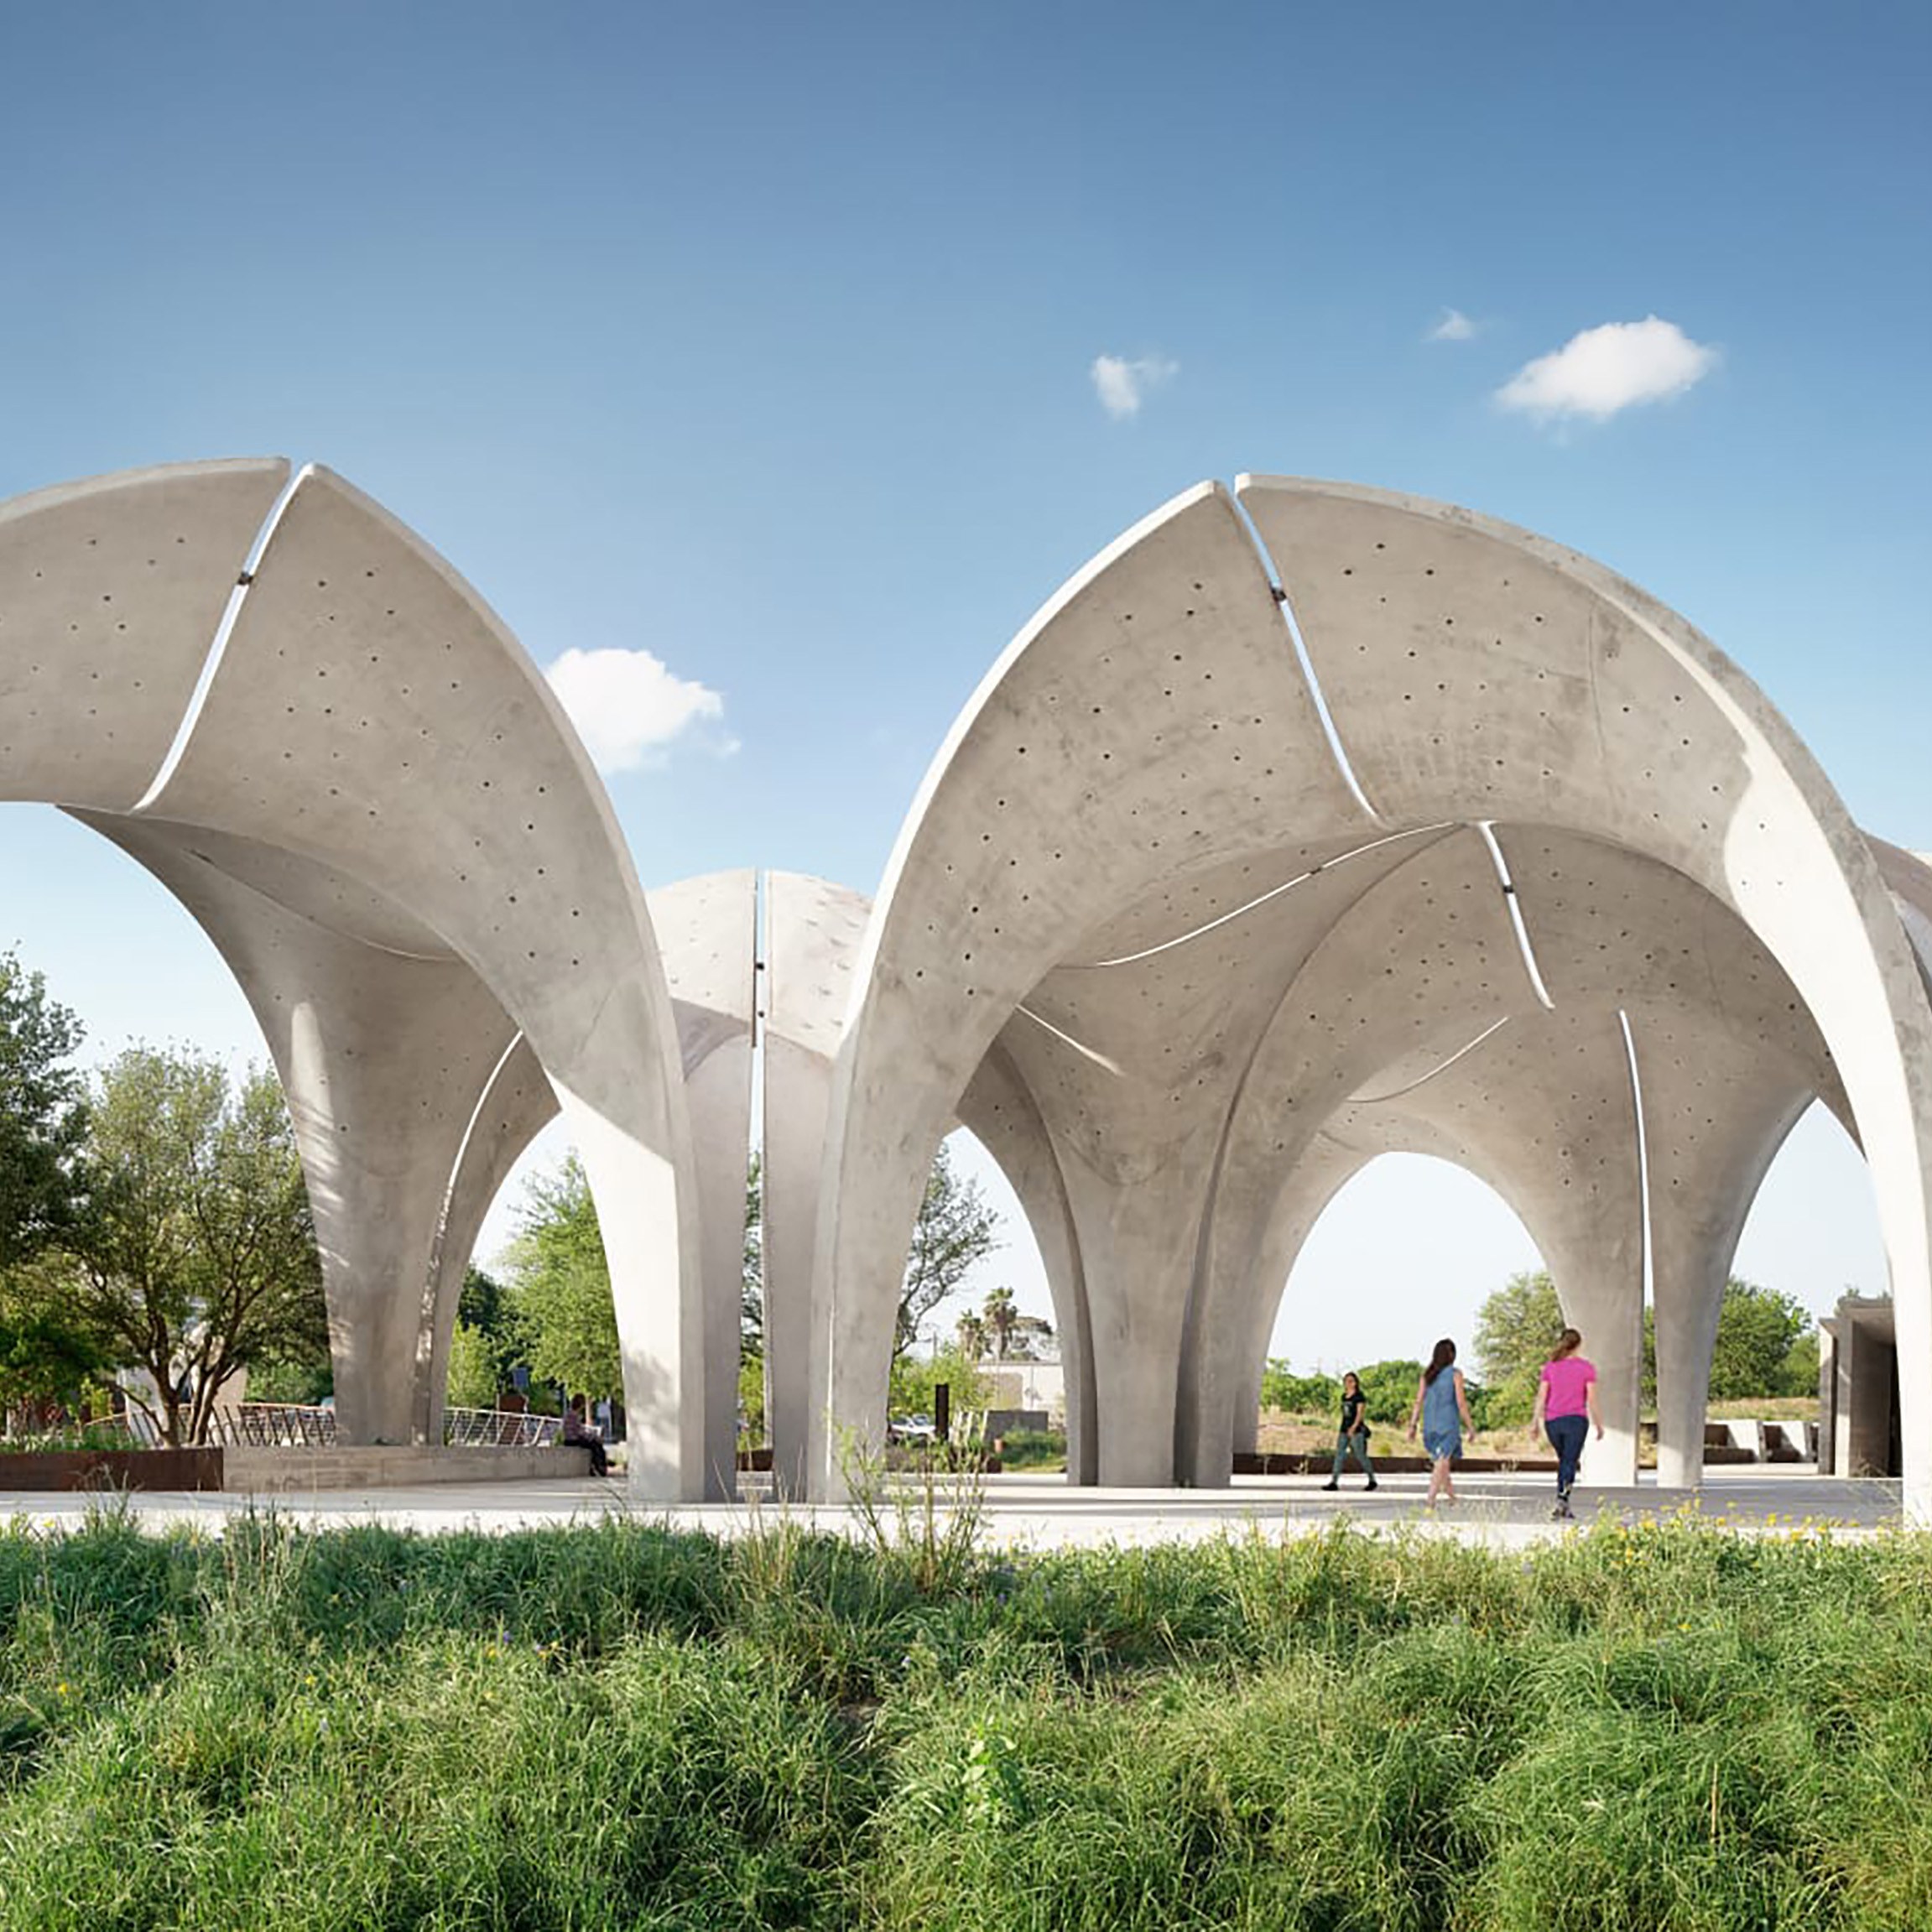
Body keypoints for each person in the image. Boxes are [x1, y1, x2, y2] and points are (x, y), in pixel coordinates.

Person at [1529, 1326, 1602, 1519]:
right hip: (1576, 1421)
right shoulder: (1587, 1368)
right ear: (1578, 1345)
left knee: (1564, 1461)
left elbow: (1541, 1397)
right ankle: (1562, 1499)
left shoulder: (1550, 1367)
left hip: (1552, 1422)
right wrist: (1599, 1424)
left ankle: (1563, 1500)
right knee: (1569, 1461)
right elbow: (1592, 1400)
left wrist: (1535, 1422)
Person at [1406, 1338, 1474, 1508]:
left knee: (1441, 1463)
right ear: (1451, 1355)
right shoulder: (1455, 1374)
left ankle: (1453, 1499)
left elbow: (1418, 1401)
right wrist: (1470, 1427)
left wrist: (1413, 1425)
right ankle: (1430, 1499)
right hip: (1448, 1424)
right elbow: (1461, 1403)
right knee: (1442, 1462)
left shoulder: (1427, 1375)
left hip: (1429, 1425)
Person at [1320, 1371, 1377, 1492]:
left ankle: (1372, 1480)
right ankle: (1334, 1482)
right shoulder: (1343, 1396)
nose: (1348, 1383)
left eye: (1351, 1381)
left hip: (1356, 1430)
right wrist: (1344, 1427)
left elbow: (1360, 1414)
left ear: (1356, 1383)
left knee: (1360, 1455)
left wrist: (1354, 1427)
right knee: (1339, 1454)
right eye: (1346, 1381)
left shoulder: (1359, 1396)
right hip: (1344, 1429)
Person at [561, 1394, 611, 1476]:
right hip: (573, 1440)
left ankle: (595, 1466)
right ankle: (599, 1467)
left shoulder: (569, 1414)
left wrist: (592, 1436)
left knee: (594, 1445)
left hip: (570, 1439)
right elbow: (579, 1432)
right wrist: (594, 1437)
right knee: (596, 1445)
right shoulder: (573, 1416)